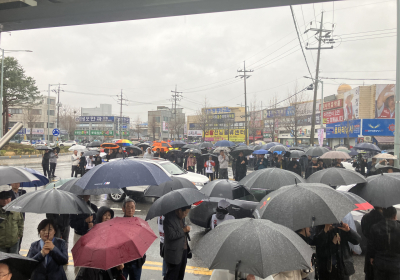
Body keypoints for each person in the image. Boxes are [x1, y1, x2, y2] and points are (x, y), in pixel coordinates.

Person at [76, 206, 124, 280]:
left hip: (107, 271)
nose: (107, 217)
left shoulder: (112, 233)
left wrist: (118, 266)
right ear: (100, 216)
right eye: (105, 215)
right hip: (92, 270)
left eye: (109, 215)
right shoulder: (92, 231)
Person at [369, 206, 400, 280]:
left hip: (380, 261)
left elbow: (371, 244)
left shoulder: (375, 227)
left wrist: (371, 256)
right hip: (396, 263)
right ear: (395, 215)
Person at [70, 195, 98, 276]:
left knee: (89, 261)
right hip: (79, 236)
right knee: (78, 259)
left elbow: (98, 222)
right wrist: (84, 221)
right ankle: (78, 276)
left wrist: (93, 225)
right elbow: (72, 224)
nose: (86, 196)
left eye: (88, 194)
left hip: (91, 237)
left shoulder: (93, 207)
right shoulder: (74, 208)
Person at [164, 205, 191, 280]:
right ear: (179, 210)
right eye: (185, 213)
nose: (186, 215)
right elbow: (170, 235)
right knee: (172, 276)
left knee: (180, 275)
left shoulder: (181, 217)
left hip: (183, 251)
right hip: (174, 254)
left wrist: (186, 230)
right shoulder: (168, 219)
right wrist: (183, 230)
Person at [122, 198, 146, 280]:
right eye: (128, 207)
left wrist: (142, 258)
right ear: (123, 209)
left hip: (136, 262)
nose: (130, 210)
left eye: (132, 207)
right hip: (123, 263)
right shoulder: (118, 224)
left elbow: (143, 242)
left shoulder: (139, 224)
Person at [362, 207, 385, 280]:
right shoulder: (384, 218)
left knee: (369, 274)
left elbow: (364, 233)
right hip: (381, 251)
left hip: (369, 248)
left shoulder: (365, 217)